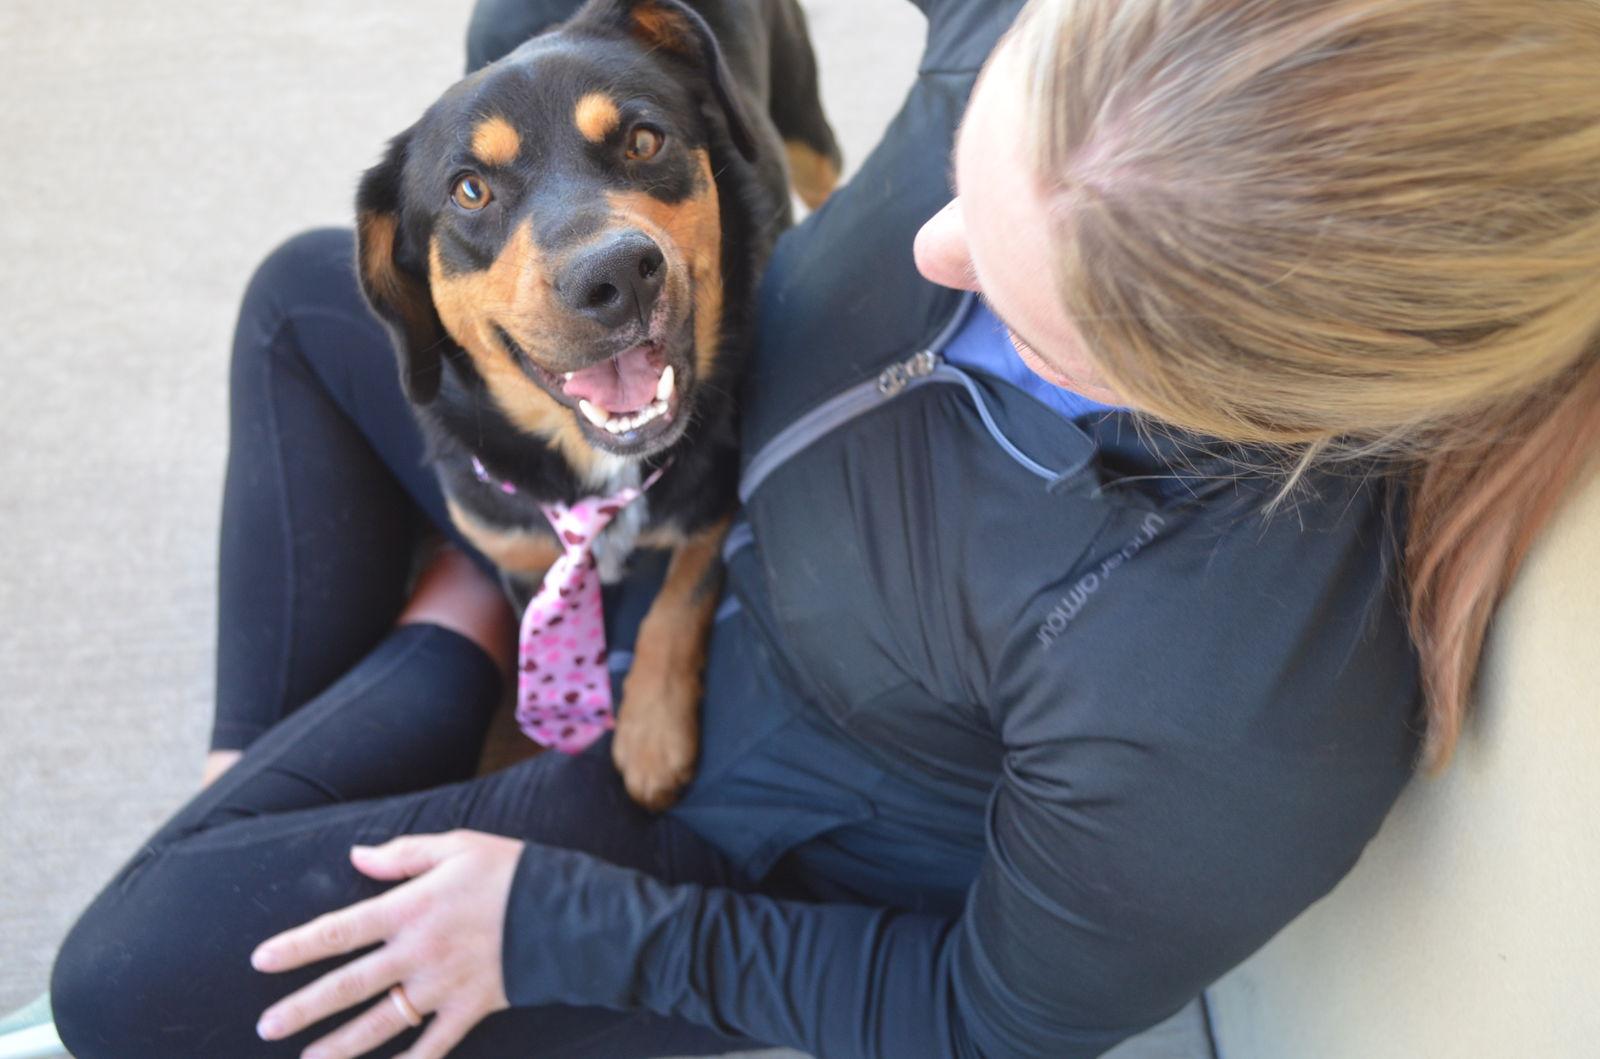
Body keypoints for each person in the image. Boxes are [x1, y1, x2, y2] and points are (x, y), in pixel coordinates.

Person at [49, 0, 1600, 1057]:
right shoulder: (1068, 45)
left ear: (1226, 384)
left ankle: (456, 612)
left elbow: (986, 1017)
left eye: (1018, 301)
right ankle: (330, 719)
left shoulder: (1236, 699)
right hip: (678, 464)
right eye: (973, 171)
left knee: (128, 977)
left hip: (733, 804)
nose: (927, 245)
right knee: (301, 301)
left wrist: (569, 928)